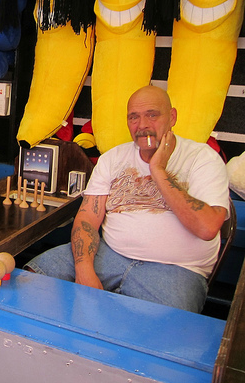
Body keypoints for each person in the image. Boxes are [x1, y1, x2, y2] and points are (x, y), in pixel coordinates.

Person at [24, 85, 230, 313]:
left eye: (152, 115)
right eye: (134, 117)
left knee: (162, 335)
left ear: (172, 117)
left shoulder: (202, 158)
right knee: (33, 280)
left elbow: (207, 227)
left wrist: (158, 170)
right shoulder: (113, 158)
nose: (142, 125)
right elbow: (87, 220)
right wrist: (84, 271)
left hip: (176, 270)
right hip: (109, 255)